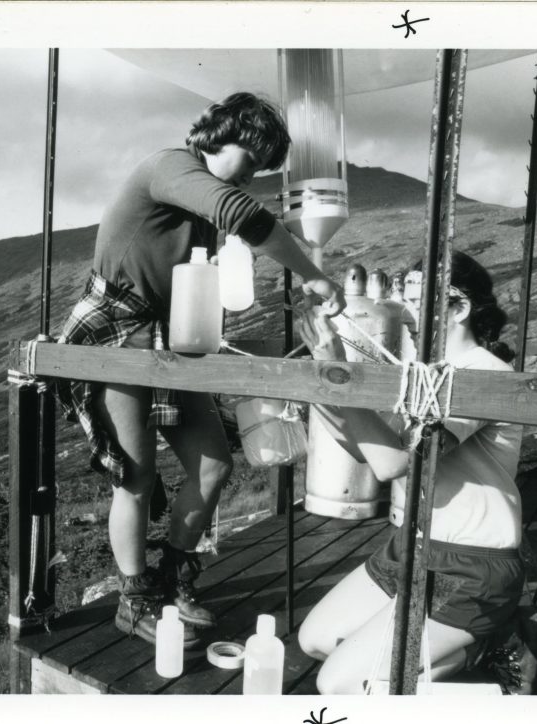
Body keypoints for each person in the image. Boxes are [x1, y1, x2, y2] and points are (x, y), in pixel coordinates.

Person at [57, 92, 345, 647]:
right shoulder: (171, 168)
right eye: (254, 159)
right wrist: (312, 275)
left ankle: (169, 581)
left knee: (213, 464)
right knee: (135, 478)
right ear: (225, 135)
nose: (254, 175)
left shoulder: (204, 200)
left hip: (170, 339)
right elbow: (243, 215)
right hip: (119, 332)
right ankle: (134, 599)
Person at [296, 251, 524, 694]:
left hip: (472, 567)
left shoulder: (482, 374)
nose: (404, 310)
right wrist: (327, 375)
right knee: (315, 640)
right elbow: (361, 448)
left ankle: (488, 674)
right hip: (417, 546)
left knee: (341, 685)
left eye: (417, 299)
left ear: (459, 309)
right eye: (405, 296)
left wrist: (338, 365)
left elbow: (391, 463)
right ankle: (456, 651)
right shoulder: (427, 374)